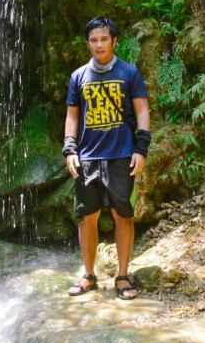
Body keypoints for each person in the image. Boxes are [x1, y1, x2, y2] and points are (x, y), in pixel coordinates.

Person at [62, 17, 151, 300]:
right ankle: (89, 275)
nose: (99, 44)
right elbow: (72, 116)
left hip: (122, 155)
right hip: (87, 157)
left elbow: (142, 112)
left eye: (104, 39)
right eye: (93, 40)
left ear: (114, 41)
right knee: (87, 217)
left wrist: (141, 148)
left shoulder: (129, 73)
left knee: (123, 215)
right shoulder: (78, 77)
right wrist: (69, 149)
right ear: (87, 43)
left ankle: (123, 276)